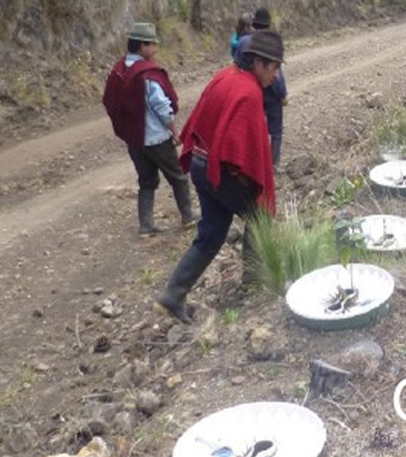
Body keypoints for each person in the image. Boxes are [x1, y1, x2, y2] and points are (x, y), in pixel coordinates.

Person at [156, 32, 283, 323]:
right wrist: (248, 183)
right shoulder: (248, 92)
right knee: (259, 216)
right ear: (259, 63)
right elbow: (240, 151)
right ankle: (254, 282)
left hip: (202, 165)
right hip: (219, 169)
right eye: (274, 67)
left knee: (211, 233)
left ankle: (173, 294)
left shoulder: (226, 76)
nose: (276, 76)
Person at [102, 22, 195, 234]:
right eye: (152, 45)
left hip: (134, 140)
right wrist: (175, 131)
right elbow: (162, 108)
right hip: (156, 138)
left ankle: (146, 224)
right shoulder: (146, 74)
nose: (154, 49)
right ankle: (188, 215)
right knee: (178, 177)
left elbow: (109, 101)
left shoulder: (119, 69)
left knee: (146, 181)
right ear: (142, 46)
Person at [229, 8, 289, 166]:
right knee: (275, 130)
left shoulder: (242, 42)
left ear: (254, 24)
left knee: (255, 127)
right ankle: (273, 164)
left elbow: (236, 65)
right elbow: (276, 76)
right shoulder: (268, 44)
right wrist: (282, 95)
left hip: (252, 91)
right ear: (268, 25)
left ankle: (253, 160)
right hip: (270, 93)